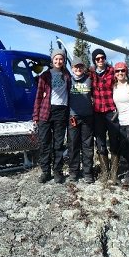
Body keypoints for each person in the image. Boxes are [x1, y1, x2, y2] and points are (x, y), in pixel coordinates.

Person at [33, 49, 71, 184]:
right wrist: (35, 115)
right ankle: (45, 171)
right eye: (56, 59)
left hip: (62, 112)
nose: (58, 61)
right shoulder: (45, 76)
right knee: (45, 143)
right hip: (45, 111)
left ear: (63, 60)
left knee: (59, 144)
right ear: (52, 60)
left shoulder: (67, 75)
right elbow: (38, 96)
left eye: (61, 59)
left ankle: (57, 171)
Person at [90, 48, 120, 183]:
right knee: (100, 142)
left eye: (102, 58)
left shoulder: (112, 71)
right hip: (97, 113)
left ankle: (114, 174)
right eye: (97, 58)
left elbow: (123, 81)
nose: (100, 60)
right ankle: (104, 173)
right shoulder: (90, 73)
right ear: (94, 60)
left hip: (111, 112)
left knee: (114, 141)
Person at [68, 56, 94, 183]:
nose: (78, 69)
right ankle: (74, 171)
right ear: (72, 68)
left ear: (83, 68)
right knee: (73, 145)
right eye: (75, 67)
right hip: (72, 117)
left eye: (80, 66)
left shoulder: (90, 79)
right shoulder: (67, 80)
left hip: (88, 117)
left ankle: (88, 172)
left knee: (87, 145)